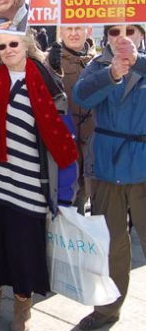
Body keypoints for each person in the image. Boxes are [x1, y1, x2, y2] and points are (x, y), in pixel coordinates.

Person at [0, 32, 78, 331]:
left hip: (30, 186)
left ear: (26, 46)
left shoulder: (49, 84)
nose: (7, 50)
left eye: (13, 44)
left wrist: (64, 194)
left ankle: (23, 306)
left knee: (24, 252)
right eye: (1, 46)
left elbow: (65, 143)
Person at [73, 23, 146, 331]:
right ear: (106, 36)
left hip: (142, 166)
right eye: (115, 31)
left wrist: (137, 62)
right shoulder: (98, 65)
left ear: (142, 34)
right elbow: (81, 96)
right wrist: (112, 74)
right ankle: (106, 310)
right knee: (112, 245)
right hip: (107, 168)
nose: (122, 37)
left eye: (131, 30)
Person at [47, 26, 97, 215]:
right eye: (68, 28)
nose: (73, 33)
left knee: (94, 209)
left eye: (78, 28)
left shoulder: (99, 62)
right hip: (65, 149)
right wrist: (51, 68)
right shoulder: (51, 60)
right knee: (68, 211)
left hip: (93, 148)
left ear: (89, 30)